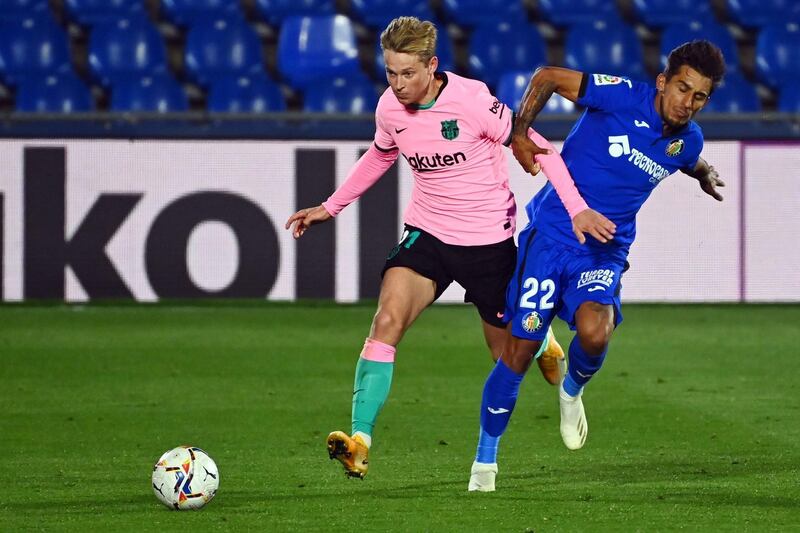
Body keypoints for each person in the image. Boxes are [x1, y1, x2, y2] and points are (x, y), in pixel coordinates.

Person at [285, 17, 615, 479]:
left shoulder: (474, 101)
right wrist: (332, 206)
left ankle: (542, 341)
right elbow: (381, 154)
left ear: (432, 66)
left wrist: (577, 207)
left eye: (407, 73)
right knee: (386, 321)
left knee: (507, 359)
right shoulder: (389, 109)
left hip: (487, 245)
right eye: (390, 72)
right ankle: (360, 440)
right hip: (429, 235)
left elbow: (540, 148)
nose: (397, 84)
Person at [468, 40, 727, 492]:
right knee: (520, 350)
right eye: (683, 88)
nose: (688, 103)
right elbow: (547, 75)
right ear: (663, 81)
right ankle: (484, 461)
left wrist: (704, 173)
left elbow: (688, 158)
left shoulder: (689, 141)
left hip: (604, 249)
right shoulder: (620, 95)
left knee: (595, 331)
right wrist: (521, 133)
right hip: (551, 236)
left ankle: (572, 390)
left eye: (700, 96)